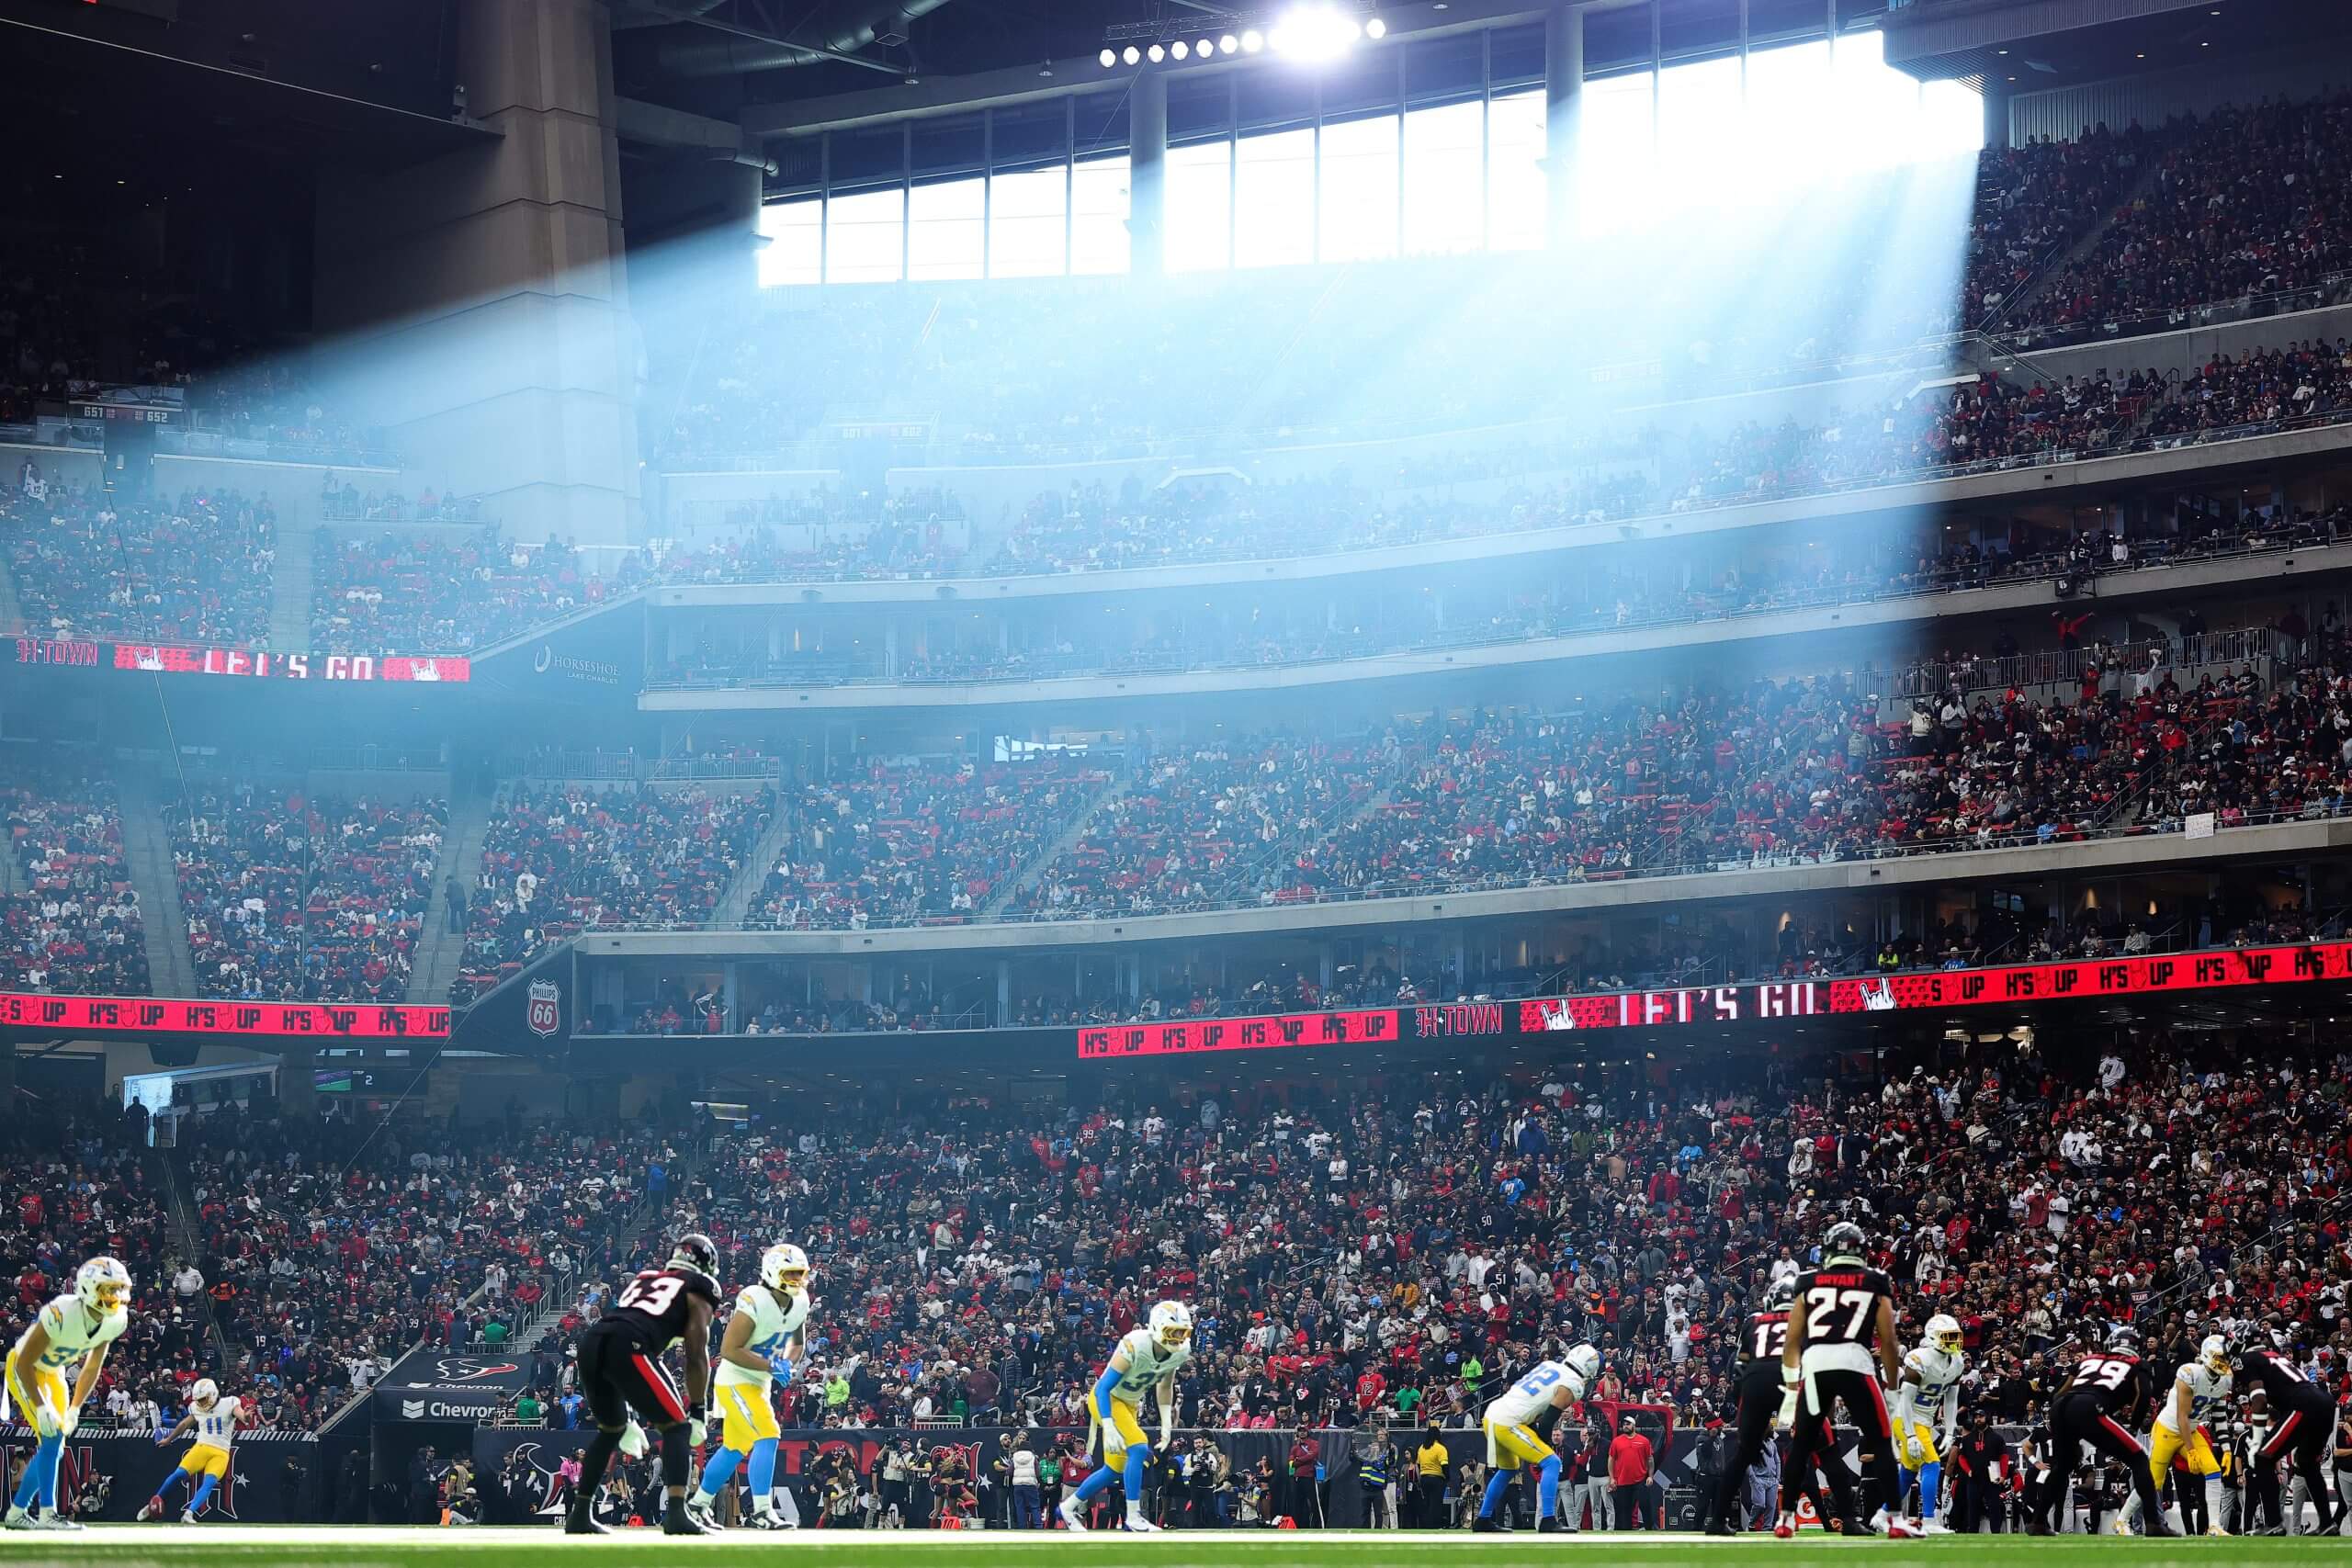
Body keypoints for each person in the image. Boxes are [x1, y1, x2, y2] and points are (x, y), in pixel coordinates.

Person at [564, 1233, 721, 1537]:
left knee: (610, 1430)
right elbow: (696, 1353)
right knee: (677, 1427)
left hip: (593, 1342)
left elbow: (636, 1328)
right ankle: (677, 1513)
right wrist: (699, 1409)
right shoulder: (699, 1289)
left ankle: (580, 1514)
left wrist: (630, 1414)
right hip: (630, 1345)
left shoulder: (647, 1278)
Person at [1777, 1220, 1916, 1538]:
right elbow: (1889, 1340)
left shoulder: (1808, 1280)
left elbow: (1792, 1340)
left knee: (1800, 1446)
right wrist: (1892, 1387)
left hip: (1814, 1365)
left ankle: (1785, 1521)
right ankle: (1895, 1519)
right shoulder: (1874, 1279)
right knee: (1881, 1442)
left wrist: (1790, 1389)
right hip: (1855, 1360)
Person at [684, 1242, 809, 1532]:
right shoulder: (755, 1298)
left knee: (734, 1447)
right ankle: (762, 1511)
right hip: (736, 1380)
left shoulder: (800, 1301)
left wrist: (787, 1364)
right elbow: (728, 1349)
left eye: (798, 1274)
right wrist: (769, 1365)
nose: (796, 1280)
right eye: (789, 1274)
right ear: (773, 1271)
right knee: (768, 1434)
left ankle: (697, 1504)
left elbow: (798, 1344)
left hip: (758, 1384)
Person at [4, 1257, 131, 1531]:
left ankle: (16, 1512)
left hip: (54, 1372)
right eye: (108, 1289)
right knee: (51, 1438)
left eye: (117, 1289)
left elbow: (92, 1367)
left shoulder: (115, 1320)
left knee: (56, 1447)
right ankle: (47, 1514)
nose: (115, 1296)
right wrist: (40, 1406)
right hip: (24, 1368)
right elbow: (25, 1361)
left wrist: (75, 1408)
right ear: (88, 1289)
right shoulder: (62, 1310)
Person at [1058, 1300, 1193, 1533]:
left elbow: (1164, 1386)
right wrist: (1108, 1425)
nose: (1178, 1339)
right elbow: (1102, 1389)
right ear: (1157, 1327)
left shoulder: (1179, 1352)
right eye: (1173, 1332)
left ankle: (1068, 1507)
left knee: (1113, 1469)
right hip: (1106, 1400)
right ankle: (1133, 1516)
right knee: (1139, 1447)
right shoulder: (1135, 1343)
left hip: (1129, 1404)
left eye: (1182, 1333)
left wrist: (1166, 1422)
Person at [2028, 1326, 2171, 1536]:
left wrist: (2064, 1426)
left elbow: (2060, 1392)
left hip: (2061, 1407)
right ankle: (2153, 1523)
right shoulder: (2136, 1364)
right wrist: (2133, 1426)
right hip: (2089, 1406)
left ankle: (2038, 1522)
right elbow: (2144, 1394)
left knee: (2062, 1466)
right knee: (2139, 1458)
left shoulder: (2089, 1359)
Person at [1704, 1275, 1809, 1535]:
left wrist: (1740, 1399)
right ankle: (1791, 1519)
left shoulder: (1754, 1321)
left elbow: (1739, 1366)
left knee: (1742, 1456)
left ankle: (1718, 1520)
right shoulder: (1804, 1320)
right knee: (1813, 1448)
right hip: (1791, 1379)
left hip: (1756, 1380)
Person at [1472, 1342, 1599, 1533]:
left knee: (1508, 1469)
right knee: (1552, 1462)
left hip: (1493, 1415)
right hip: (1509, 1422)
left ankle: (1483, 1519)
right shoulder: (1573, 1384)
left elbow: (1527, 1403)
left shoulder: (1549, 1366)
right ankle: (1548, 1520)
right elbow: (1547, 1422)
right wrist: (1543, 1452)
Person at [2236, 1339, 2343, 1536]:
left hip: (2303, 1404)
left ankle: (2274, 1523)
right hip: (2324, 1402)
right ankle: (2327, 1524)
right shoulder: (2273, 1356)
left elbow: (2259, 1400)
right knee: (2307, 1463)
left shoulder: (2248, 1359)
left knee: (2262, 1457)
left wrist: (2258, 1436)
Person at [2134, 1332, 2233, 1536]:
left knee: (2213, 1470)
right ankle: (2123, 1520)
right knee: (2154, 1481)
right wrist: (2191, 1450)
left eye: (2225, 1358)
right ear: (2206, 1356)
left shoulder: (2225, 1381)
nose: (2223, 1362)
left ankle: (2214, 1525)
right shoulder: (2190, 1373)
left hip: (2191, 1430)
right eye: (2219, 1357)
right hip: (2169, 1429)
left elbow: (2220, 1416)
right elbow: (2182, 1417)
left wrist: (2227, 1449)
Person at [1894, 1313, 1967, 1534]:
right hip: (1906, 1418)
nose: (1953, 1341)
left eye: (1955, 1336)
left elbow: (1952, 1399)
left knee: (1908, 1473)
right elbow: (1905, 1401)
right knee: (1933, 1464)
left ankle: (1884, 1513)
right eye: (1948, 1336)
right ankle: (1928, 1520)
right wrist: (1911, 1435)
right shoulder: (1920, 1360)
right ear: (1934, 1337)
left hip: (1924, 1421)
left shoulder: (1956, 1361)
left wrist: (1949, 1431)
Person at [139, 1378, 248, 1523]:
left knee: (209, 1483)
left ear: (213, 1394)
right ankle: (153, 1502)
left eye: (204, 1398)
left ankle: (189, 1513)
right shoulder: (197, 1406)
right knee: (178, 1474)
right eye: (199, 1399)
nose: (201, 1402)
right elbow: (184, 1424)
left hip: (221, 1452)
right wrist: (168, 1439)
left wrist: (246, 1415)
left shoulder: (230, 1402)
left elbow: (242, 1415)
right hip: (202, 1446)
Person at [1608, 1415, 1657, 1529]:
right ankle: (1626, 1532)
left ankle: (1650, 1529)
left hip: (1640, 1479)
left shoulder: (1643, 1441)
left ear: (1634, 1426)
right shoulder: (1616, 1441)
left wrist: (1650, 1476)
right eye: (1624, 1424)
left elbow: (1650, 1459)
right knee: (1624, 1510)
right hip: (1623, 1481)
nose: (1625, 1426)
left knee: (1645, 1506)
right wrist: (1612, 1478)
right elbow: (1611, 1459)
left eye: (1628, 1424)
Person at [1414, 1430, 1448, 1529]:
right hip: (1437, 1478)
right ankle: (1436, 1525)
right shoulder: (1441, 1448)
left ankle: (1426, 1526)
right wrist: (1447, 1477)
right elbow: (1444, 1465)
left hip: (1424, 1478)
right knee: (1436, 1503)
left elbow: (1419, 1465)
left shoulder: (1422, 1448)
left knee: (1427, 1503)